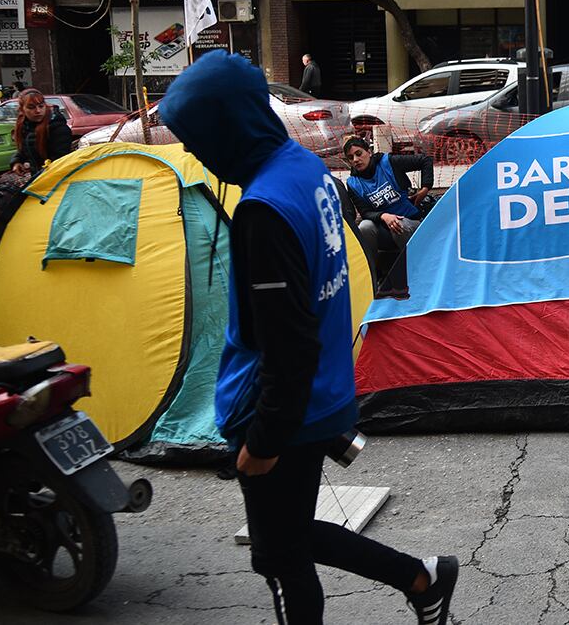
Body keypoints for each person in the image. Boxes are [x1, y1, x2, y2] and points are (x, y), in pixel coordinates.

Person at [157, 52, 457, 625]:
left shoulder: (263, 210)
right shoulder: (302, 166)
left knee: (280, 558)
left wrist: (263, 442)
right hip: (317, 394)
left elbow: (286, 343)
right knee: (288, 536)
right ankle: (421, 579)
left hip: (280, 409)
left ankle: (421, 579)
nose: (193, 150)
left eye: (196, 135)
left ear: (227, 126)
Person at [342, 137, 433, 297]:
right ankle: (374, 275)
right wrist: (384, 216)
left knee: (400, 223)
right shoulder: (353, 183)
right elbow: (365, 213)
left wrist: (425, 188)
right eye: (351, 157)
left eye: (359, 153)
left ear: (368, 152)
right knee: (364, 226)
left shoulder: (388, 162)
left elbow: (425, 160)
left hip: (410, 223)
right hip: (384, 229)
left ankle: (414, 273)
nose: (356, 159)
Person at [12, 88, 73, 179]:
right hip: (39, 178)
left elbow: (60, 159)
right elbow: (23, 149)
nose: (38, 111)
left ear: (45, 106)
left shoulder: (57, 126)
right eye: (31, 107)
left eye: (41, 106)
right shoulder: (23, 125)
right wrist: (17, 161)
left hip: (56, 178)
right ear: (22, 109)